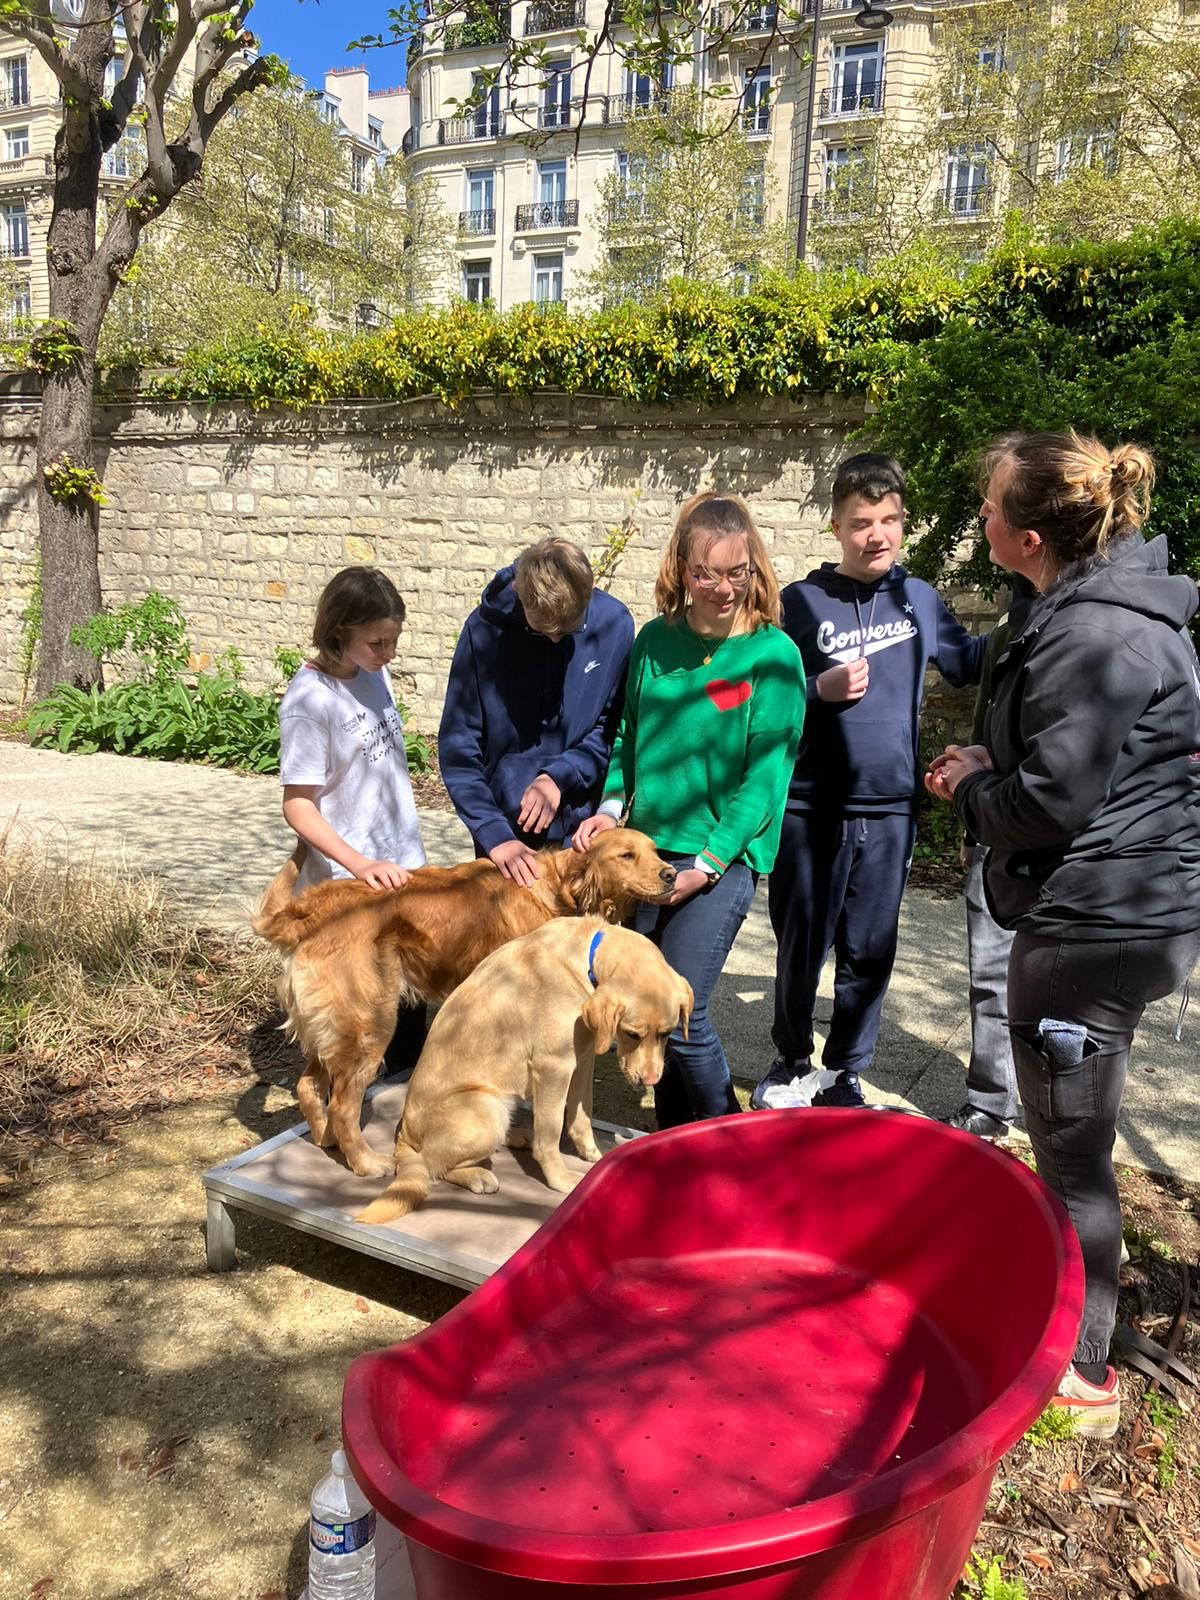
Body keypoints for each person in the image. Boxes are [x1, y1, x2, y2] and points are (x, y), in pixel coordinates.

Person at [927, 431, 1200, 1438]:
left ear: (1028, 536)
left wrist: (970, 789)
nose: (980, 516)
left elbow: (1047, 803)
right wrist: (990, 762)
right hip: (1125, 911)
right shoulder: (1101, 609)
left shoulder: (1094, 636)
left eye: (990, 505)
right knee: (1073, 1138)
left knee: (1073, 1154)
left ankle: (1083, 1374)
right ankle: (1068, 1314)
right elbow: (1076, 759)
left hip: (1093, 929)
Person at [754, 453, 986, 1111]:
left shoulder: (919, 599)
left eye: (889, 520)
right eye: (861, 523)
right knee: (802, 946)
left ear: (903, 522)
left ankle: (843, 1073)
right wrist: (816, 689)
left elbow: (970, 664)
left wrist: (1037, 604)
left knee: (869, 951)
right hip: (810, 808)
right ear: (836, 526)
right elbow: (758, 698)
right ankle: (791, 1061)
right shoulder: (799, 603)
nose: (877, 535)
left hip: (890, 810)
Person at [574, 492, 805, 1129]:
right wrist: (611, 809)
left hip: (718, 857)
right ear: (681, 569)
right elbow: (629, 738)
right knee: (649, 1006)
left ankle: (734, 1142)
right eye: (706, 573)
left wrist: (707, 864)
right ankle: (676, 1142)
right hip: (647, 855)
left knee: (685, 1011)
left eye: (737, 572)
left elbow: (765, 782)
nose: (723, 589)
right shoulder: (654, 642)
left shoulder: (774, 657)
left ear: (754, 568)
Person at [278, 565, 428, 1075]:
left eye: (393, 640)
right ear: (339, 631)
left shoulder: (373, 673)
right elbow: (297, 804)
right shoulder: (309, 702)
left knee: (406, 999)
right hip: (352, 882)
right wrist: (360, 863)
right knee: (361, 1018)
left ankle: (403, 1094)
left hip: (401, 863)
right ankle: (347, 1102)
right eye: (377, 642)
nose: (389, 654)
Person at [439, 537, 634, 886]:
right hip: (504, 836)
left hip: (580, 828)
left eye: (568, 630)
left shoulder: (614, 625)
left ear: (590, 590)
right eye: (542, 630)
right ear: (518, 591)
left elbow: (611, 727)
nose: (556, 640)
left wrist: (560, 776)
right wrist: (493, 832)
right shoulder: (483, 632)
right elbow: (459, 743)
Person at [941, 573, 1036, 1141]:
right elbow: (984, 725)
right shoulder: (1009, 626)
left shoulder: (1103, 627)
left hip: (1069, 843)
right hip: (996, 824)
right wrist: (971, 823)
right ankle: (992, 1101)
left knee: (1059, 982)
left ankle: (1052, 1101)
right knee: (992, 972)